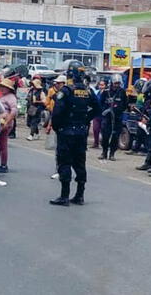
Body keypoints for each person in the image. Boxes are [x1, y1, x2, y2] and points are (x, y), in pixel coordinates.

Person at [49, 60, 100, 206]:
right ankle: (79, 195)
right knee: (80, 163)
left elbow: (57, 113)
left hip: (66, 132)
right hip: (81, 133)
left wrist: (57, 128)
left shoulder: (66, 91)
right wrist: (85, 120)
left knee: (64, 162)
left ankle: (64, 196)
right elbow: (97, 109)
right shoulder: (88, 91)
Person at [98, 74, 128, 161]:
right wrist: (105, 111)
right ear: (112, 83)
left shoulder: (122, 92)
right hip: (107, 118)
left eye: (118, 83)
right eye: (115, 83)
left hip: (117, 118)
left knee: (115, 136)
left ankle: (112, 154)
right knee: (105, 136)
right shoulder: (106, 92)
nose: (116, 85)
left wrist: (117, 109)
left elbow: (125, 104)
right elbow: (100, 103)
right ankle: (104, 152)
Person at [0, 78, 18, 174]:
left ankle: (4, 164)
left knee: (3, 144)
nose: (3, 88)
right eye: (2, 86)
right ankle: (2, 163)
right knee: (0, 143)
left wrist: (7, 122)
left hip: (6, 123)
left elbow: (14, 111)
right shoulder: (4, 96)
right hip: (1, 122)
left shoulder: (11, 97)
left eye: (5, 87)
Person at [90, 80, 106, 149]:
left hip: (104, 114)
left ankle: (104, 143)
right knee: (95, 129)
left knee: (104, 130)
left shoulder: (107, 93)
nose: (101, 86)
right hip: (96, 114)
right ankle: (96, 143)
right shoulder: (96, 92)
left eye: (102, 85)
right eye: (100, 85)